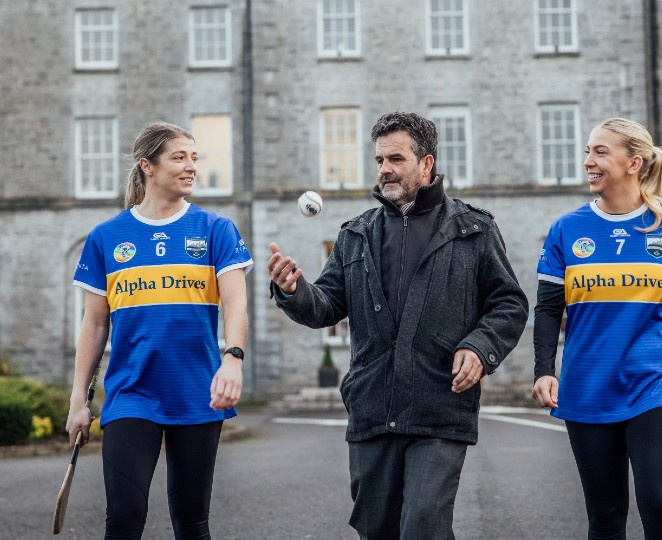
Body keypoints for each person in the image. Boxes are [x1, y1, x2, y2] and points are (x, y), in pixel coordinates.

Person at [268, 111, 528, 540]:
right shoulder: (356, 235)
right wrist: (293, 290)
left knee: (423, 524)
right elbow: (326, 305)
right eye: (379, 160)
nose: (385, 169)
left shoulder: (473, 230)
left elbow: (509, 303)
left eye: (396, 158)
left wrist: (481, 348)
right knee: (377, 530)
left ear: (426, 164)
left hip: (439, 406)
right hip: (372, 406)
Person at [532, 117, 662, 539]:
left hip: (657, 384)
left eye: (600, 151)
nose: (588, 161)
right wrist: (544, 368)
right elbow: (547, 309)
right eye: (587, 151)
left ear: (634, 162)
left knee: (660, 503)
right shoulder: (567, 229)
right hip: (587, 387)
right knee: (605, 514)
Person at [65, 121, 253, 539]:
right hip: (132, 394)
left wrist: (232, 360)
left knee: (191, 522)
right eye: (179, 157)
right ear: (147, 165)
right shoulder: (107, 238)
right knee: (125, 517)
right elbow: (95, 324)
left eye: (194, 158)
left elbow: (236, 304)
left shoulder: (215, 230)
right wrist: (79, 399)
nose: (191, 167)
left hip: (197, 393)